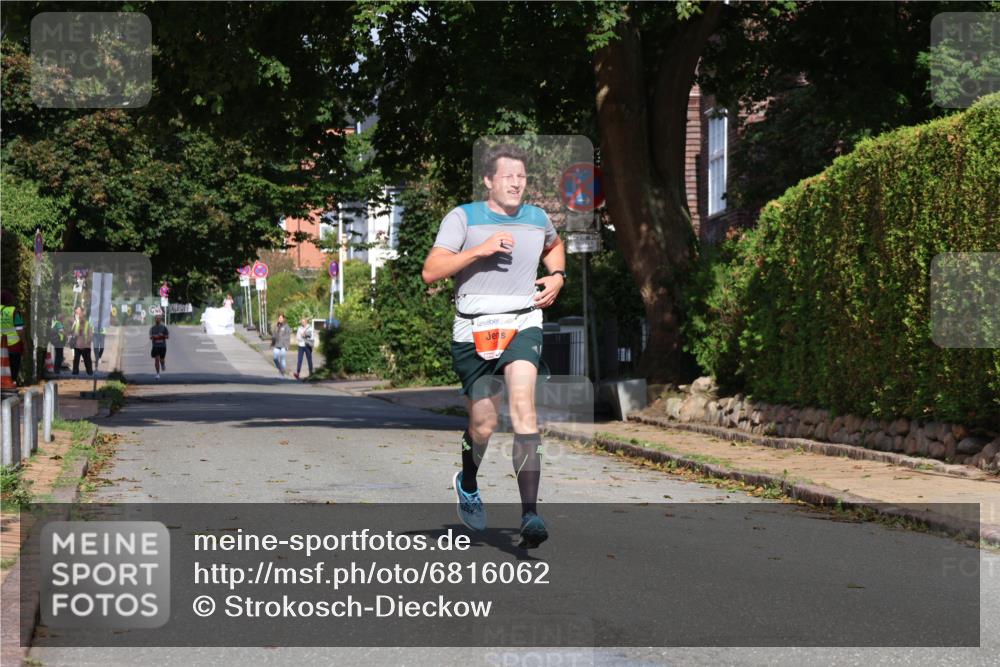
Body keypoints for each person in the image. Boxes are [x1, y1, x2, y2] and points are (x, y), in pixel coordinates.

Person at [421, 143, 566, 548]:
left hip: (523, 323)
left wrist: (557, 277)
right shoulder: (462, 218)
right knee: (483, 425)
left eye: (521, 177)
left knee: (524, 409)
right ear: (488, 180)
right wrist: (480, 250)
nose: (516, 183)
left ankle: (530, 515)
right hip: (473, 330)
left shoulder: (537, 218)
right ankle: (468, 481)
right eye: (508, 176)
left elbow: (554, 247)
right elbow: (430, 272)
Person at [0, 290, 26, 384]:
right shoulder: (14, 311)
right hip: (14, 345)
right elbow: (20, 330)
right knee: (13, 368)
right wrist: (24, 344)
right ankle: (12, 383)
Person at [70, 306, 94, 376]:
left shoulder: (87, 324)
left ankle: (89, 372)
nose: (80, 318)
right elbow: (74, 333)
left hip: (85, 346)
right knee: (76, 360)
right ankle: (75, 371)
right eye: (79, 316)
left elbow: (90, 335)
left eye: (81, 316)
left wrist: (88, 340)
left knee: (87, 360)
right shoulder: (77, 323)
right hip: (78, 345)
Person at [149, 314, 169, 380]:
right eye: (156, 318)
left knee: (161, 360)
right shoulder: (152, 328)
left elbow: (167, 336)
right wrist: (154, 337)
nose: (157, 319)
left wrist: (162, 336)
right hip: (155, 346)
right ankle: (157, 374)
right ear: (155, 319)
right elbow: (150, 337)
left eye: (159, 318)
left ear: (160, 320)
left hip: (162, 346)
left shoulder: (164, 327)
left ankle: (162, 364)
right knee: (156, 359)